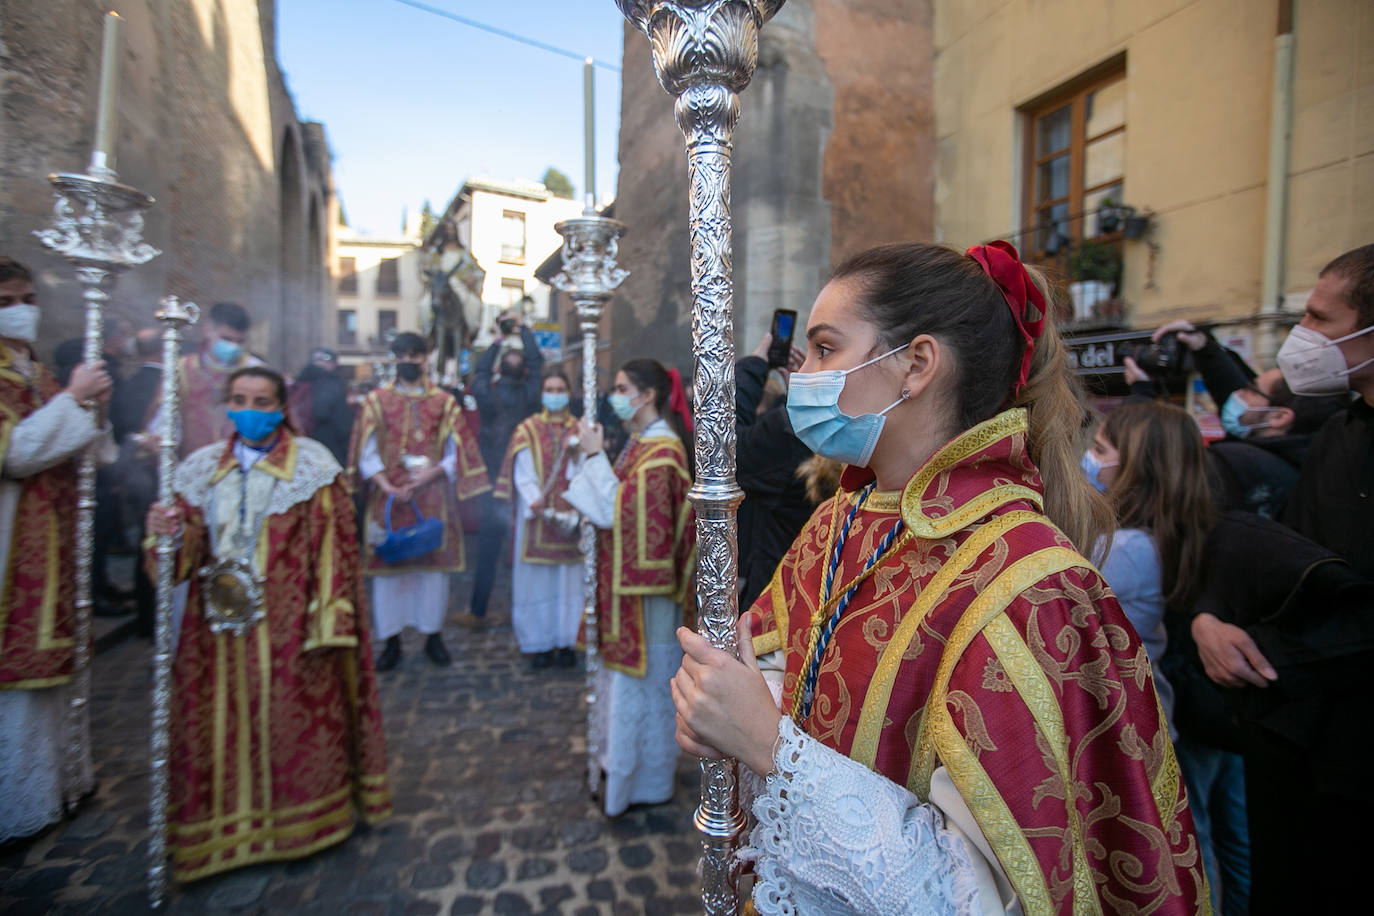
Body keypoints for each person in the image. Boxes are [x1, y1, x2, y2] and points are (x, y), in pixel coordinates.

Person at [671, 242, 1207, 914]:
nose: (802, 372)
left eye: (826, 348)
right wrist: (729, 706)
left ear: (916, 365)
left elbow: (972, 895)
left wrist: (768, 746)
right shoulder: (838, 521)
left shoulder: (1034, 585)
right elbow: (785, 673)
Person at [145, 366, 390, 880]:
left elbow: (335, 553)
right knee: (217, 728)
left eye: (261, 401)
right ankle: (219, 833)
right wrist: (163, 533)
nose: (249, 410)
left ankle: (301, 825)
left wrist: (328, 624)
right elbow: (177, 564)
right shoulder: (199, 468)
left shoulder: (313, 468)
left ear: (282, 409)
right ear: (226, 405)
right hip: (214, 631)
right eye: (239, 399)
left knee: (288, 727)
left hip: (289, 630)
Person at [1191, 242, 1374, 914]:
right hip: (1291, 749)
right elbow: (1270, 556)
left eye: (1321, 319)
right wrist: (1211, 615)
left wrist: (1271, 653)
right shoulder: (1339, 436)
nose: (1302, 336)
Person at [1088, 401, 1247, 915]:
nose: (1089, 462)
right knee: (1220, 832)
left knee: (1187, 842)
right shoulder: (1185, 529)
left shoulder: (1127, 548)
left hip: (1151, 717)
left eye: (1099, 450)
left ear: (1137, 467)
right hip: (1195, 709)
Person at [0, 256, 116, 842]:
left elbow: (90, 451)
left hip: (54, 533)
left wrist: (93, 407)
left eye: (26, 298)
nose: (21, 311)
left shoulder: (38, 375)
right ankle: (18, 805)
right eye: (6, 302)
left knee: (59, 670)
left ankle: (63, 783)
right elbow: (14, 453)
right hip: (11, 541)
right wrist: (74, 401)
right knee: (16, 678)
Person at [564, 358, 695, 817]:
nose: (615, 395)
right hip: (624, 595)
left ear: (648, 395)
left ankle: (642, 781)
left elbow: (618, 516)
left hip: (646, 602)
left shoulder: (663, 453)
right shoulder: (641, 444)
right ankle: (615, 770)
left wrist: (595, 456)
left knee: (638, 690)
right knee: (620, 688)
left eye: (622, 387)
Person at [349, 332, 490, 669]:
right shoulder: (376, 401)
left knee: (432, 574)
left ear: (427, 358)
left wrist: (428, 476)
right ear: (395, 357)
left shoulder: (444, 402)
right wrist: (386, 484)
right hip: (388, 500)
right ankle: (392, 642)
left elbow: (460, 452)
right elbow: (364, 452)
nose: (410, 361)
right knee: (389, 574)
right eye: (404, 355)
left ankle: (433, 637)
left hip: (432, 497)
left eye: (416, 355)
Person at [1132, 320, 1345, 518]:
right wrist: (1205, 348)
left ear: (1279, 417)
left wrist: (1141, 393)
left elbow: (1146, 482)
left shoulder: (1231, 464)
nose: (1239, 393)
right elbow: (1237, 392)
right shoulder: (1310, 463)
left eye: (1252, 390)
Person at [493, 367, 582, 669]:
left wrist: (577, 504)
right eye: (550, 389)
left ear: (569, 393)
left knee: (570, 584)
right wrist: (534, 498)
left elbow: (586, 468)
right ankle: (540, 642)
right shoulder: (527, 429)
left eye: (560, 389)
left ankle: (568, 641)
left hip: (571, 518)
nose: (555, 394)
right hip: (537, 520)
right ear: (542, 393)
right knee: (538, 585)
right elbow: (523, 468)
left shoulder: (581, 429)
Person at [467, 314, 544, 627]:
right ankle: (525, 611)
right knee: (524, 545)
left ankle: (478, 610)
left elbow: (479, 373)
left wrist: (499, 339)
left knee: (489, 547)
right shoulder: (531, 395)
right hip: (518, 480)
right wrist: (523, 331)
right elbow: (538, 364)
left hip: (495, 478)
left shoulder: (490, 394)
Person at [736, 334, 814, 607]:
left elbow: (725, 450)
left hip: (778, 597)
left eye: (825, 351)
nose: (812, 366)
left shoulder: (792, 432)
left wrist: (755, 364)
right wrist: (803, 399)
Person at [175, 302, 261, 456]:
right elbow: (168, 419)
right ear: (208, 330)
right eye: (226, 339)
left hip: (242, 459)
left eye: (240, 341)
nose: (234, 346)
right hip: (195, 460)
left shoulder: (256, 371)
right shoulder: (182, 369)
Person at [288, 347, 352, 464]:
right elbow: (340, 421)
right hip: (327, 446)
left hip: (297, 445)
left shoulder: (299, 382)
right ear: (333, 364)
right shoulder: (333, 383)